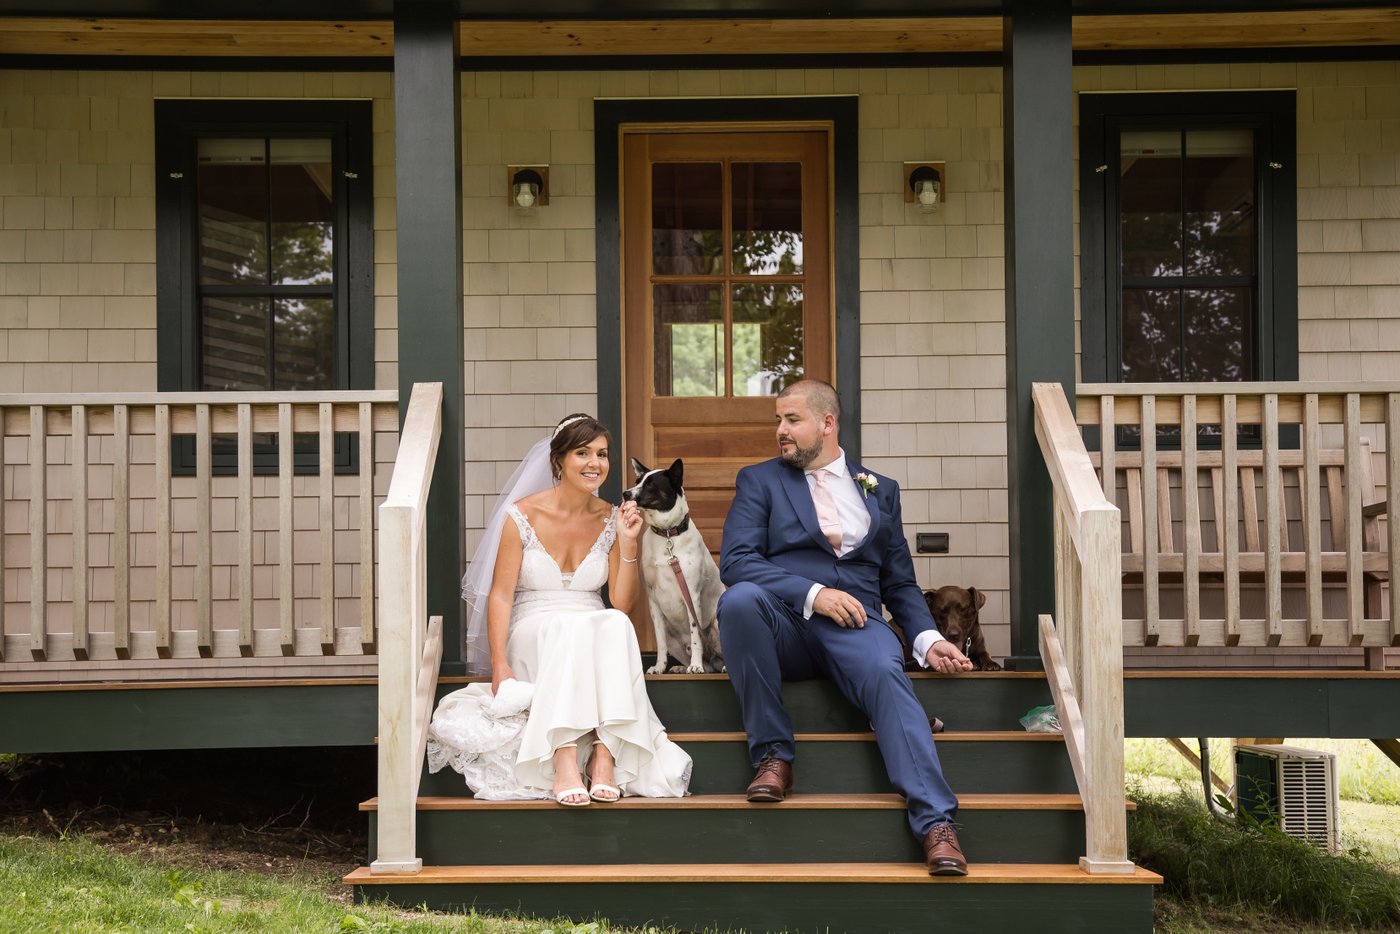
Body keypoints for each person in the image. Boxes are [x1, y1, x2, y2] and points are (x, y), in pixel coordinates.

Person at [717, 380, 975, 874]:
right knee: (739, 601)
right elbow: (738, 560)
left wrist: (929, 639)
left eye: (791, 419)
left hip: (858, 626)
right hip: (785, 623)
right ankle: (773, 757)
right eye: (778, 420)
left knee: (883, 671)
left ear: (827, 423)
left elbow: (899, 583)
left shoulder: (881, 490)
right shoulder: (760, 480)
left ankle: (937, 825)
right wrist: (814, 593)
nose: (780, 431)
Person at [427, 414, 692, 806]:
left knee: (615, 621)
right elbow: (500, 595)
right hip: (534, 625)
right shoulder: (522, 516)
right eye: (582, 453)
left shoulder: (612, 517)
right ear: (558, 460)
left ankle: (604, 754)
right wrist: (500, 664)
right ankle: (564, 754)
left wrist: (629, 543)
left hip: (589, 623)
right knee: (572, 628)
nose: (595, 463)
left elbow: (621, 602)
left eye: (602, 454)